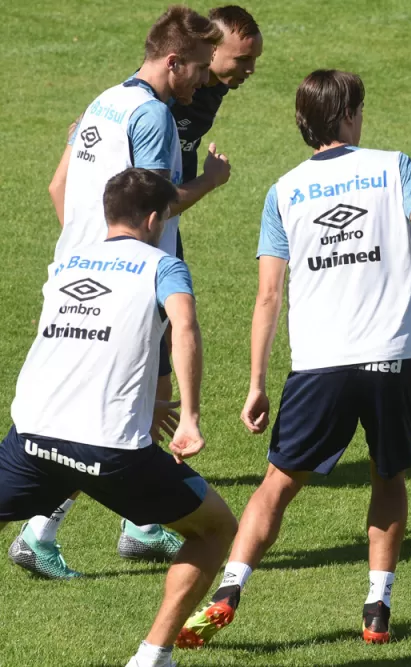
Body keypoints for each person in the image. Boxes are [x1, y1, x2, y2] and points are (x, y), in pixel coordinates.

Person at [176, 70, 411, 648]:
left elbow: (268, 295)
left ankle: (229, 589)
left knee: (276, 485)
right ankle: (377, 608)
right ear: (347, 116)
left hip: (319, 365)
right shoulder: (393, 167)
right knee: (388, 475)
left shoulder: (284, 191)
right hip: (392, 358)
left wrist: (256, 382)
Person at [13, 5, 237, 578]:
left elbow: (57, 184)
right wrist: (209, 182)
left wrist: (82, 250)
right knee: (109, 417)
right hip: (132, 282)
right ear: (172, 61)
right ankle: (43, 531)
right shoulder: (153, 116)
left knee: (125, 406)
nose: (202, 79)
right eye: (197, 68)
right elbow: (161, 202)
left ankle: (138, 524)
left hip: (76, 276)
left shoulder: (102, 103)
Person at [0, 168, 238, 667]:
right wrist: (189, 416)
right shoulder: (162, 266)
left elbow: (80, 341)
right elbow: (186, 327)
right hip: (107, 450)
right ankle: (152, 657)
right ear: (154, 218)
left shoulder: (65, 263)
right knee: (215, 528)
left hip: (30, 436)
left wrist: (140, 401)